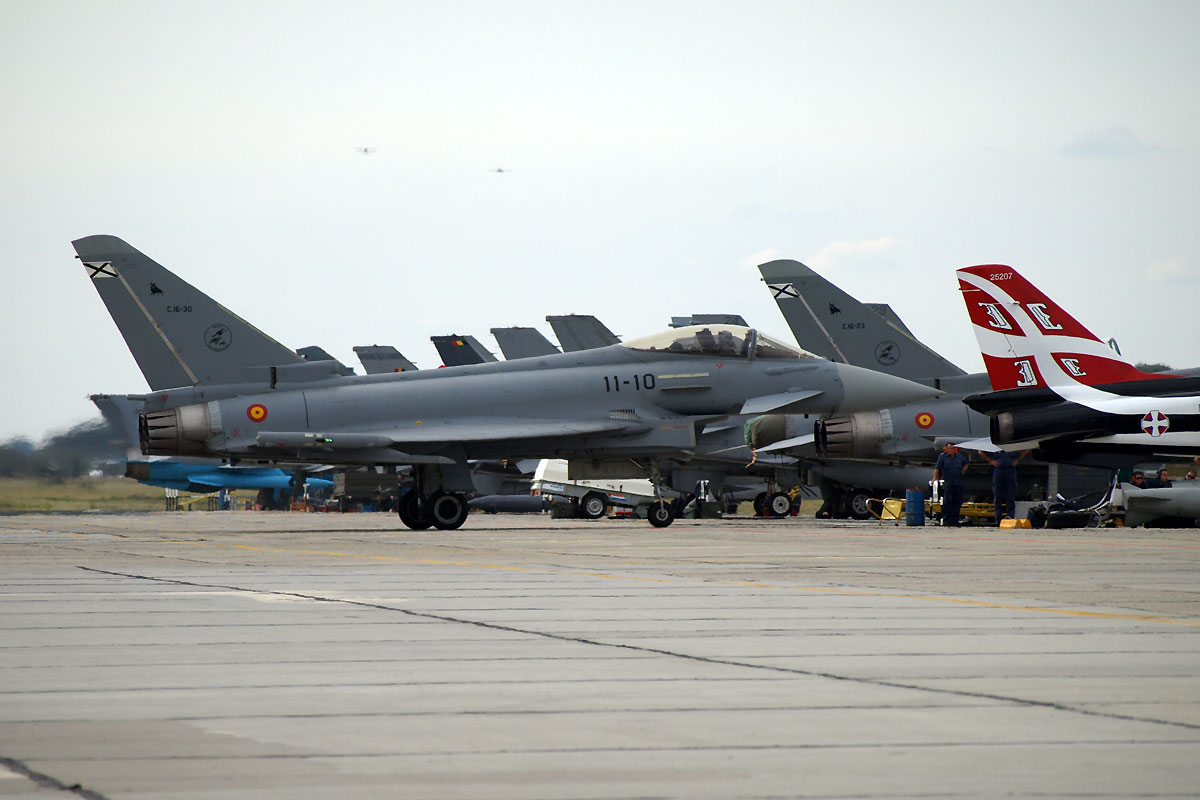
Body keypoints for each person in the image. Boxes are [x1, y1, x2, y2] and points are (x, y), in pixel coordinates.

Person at [981, 449, 1029, 524]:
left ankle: (1010, 516)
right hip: (998, 470)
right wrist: (991, 461)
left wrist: (1018, 460)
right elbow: (980, 452)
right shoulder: (995, 446)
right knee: (997, 495)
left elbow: (1026, 450)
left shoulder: (1012, 445)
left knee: (1010, 495)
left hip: (1010, 470)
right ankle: (998, 518)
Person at [933, 443, 969, 526]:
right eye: (949, 448)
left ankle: (955, 520)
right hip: (948, 483)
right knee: (947, 502)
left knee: (957, 502)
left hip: (958, 482)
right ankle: (946, 520)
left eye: (952, 448)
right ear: (946, 449)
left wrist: (963, 471)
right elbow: (937, 467)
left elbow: (966, 463)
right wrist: (934, 478)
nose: (950, 450)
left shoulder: (959, 457)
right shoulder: (942, 457)